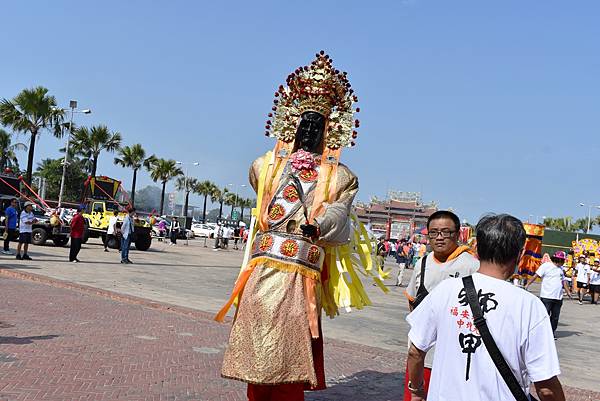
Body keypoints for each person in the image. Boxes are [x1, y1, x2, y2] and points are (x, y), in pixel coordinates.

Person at [216, 52, 373, 401]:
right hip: (262, 269)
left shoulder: (342, 177)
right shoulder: (267, 166)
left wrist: (317, 224)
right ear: (292, 126)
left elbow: (339, 213)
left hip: (301, 273)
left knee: (291, 344)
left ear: (331, 132)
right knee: (257, 338)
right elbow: (264, 198)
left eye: (319, 125)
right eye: (305, 123)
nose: (310, 131)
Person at [406, 214, 566, 401]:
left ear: (477, 250)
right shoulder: (529, 306)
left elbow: (415, 351)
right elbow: (546, 387)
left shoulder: (445, 290)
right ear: (520, 255)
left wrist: (416, 390)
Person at [403, 210, 479, 399]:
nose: (439, 238)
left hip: (456, 358)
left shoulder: (471, 266)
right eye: (434, 232)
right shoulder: (422, 263)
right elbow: (412, 303)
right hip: (421, 357)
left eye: (446, 232)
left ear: (457, 234)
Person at [525, 251, 572, 337]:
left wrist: (568, 291)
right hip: (547, 296)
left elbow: (564, 281)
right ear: (557, 259)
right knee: (544, 316)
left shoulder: (561, 269)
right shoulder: (546, 266)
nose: (563, 262)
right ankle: (540, 333)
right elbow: (536, 275)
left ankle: (551, 333)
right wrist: (527, 284)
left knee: (555, 317)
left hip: (558, 298)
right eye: (562, 261)